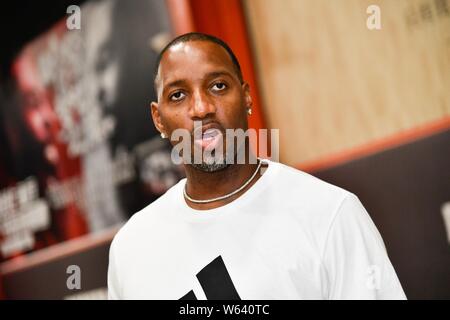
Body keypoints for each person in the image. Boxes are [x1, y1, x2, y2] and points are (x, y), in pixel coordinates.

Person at [107, 32, 406, 300]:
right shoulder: (131, 247)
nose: (201, 108)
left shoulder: (330, 214)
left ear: (247, 96)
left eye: (218, 86)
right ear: (159, 119)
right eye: (178, 95)